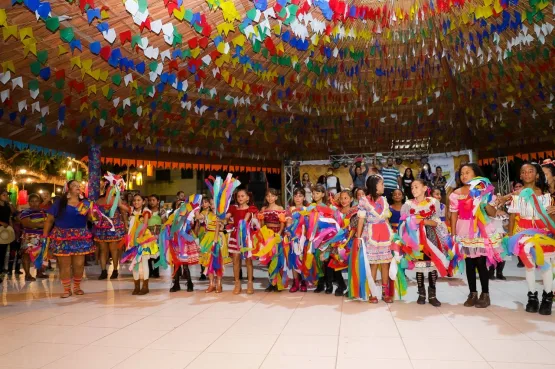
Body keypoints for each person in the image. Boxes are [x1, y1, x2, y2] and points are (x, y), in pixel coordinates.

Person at [449, 164, 502, 308]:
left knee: (480, 262)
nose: (464, 175)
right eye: (461, 173)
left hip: (480, 229)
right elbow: (453, 215)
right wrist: (453, 235)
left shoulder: (484, 190)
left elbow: (492, 213)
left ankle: (485, 294)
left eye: (467, 172)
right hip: (464, 230)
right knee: (469, 263)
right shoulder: (456, 194)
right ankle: (472, 293)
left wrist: (483, 201)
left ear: (476, 174)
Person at [507, 162, 554, 315]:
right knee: (529, 265)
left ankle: (547, 296)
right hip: (524, 234)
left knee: (545, 265)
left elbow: (551, 217)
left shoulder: (546, 195)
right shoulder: (517, 196)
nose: (527, 174)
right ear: (520, 175)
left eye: (530, 171)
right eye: (524, 172)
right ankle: (532, 297)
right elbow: (512, 218)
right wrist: (510, 237)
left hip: (543, 234)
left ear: (537, 174)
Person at [43, 180, 95, 298]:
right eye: (74, 185)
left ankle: (77, 287)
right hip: (62, 236)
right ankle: (66, 289)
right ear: (68, 189)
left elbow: (92, 219)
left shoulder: (86, 203)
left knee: (79, 263)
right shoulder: (59, 203)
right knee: (64, 264)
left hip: (80, 236)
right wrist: (45, 235)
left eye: (79, 186)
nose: (77, 187)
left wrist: (94, 212)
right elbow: (50, 220)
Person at [402, 179, 449, 307]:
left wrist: (422, 221)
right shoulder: (408, 204)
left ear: (424, 188)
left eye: (416, 187)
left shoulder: (433, 202)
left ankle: (432, 294)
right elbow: (405, 223)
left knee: (432, 264)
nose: (413, 190)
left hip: (430, 236)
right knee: (420, 266)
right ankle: (421, 293)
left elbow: (436, 222)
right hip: (416, 239)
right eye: (412, 188)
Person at [355, 175, 395, 303]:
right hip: (371, 234)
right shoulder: (364, 201)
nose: (383, 186)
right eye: (382, 184)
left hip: (384, 234)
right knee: (373, 264)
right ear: (374, 186)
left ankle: (385, 292)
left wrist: (392, 234)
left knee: (385, 264)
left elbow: (387, 218)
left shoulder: (384, 200)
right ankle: (373, 292)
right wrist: (358, 238)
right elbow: (361, 220)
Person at [123, 194, 160, 295]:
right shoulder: (131, 211)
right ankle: (136, 286)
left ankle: (145, 286)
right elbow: (119, 205)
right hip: (132, 240)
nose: (136, 202)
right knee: (135, 263)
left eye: (139, 200)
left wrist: (138, 239)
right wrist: (117, 190)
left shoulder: (145, 211)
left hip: (142, 240)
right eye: (134, 200)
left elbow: (144, 225)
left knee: (144, 263)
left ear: (143, 202)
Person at [93, 173, 128, 280]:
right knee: (104, 250)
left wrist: (125, 225)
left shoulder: (117, 200)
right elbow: (94, 214)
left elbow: (123, 212)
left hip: (114, 227)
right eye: (110, 188)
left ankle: (115, 270)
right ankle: (103, 271)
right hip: (102, 228)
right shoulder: (99, 200)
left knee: (113, 250)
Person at [226, 189, 258, 294]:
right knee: (235, 260)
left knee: (248, 260)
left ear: (248, 198)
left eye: (243, 196)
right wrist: (222, 216)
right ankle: (237, 284)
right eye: (239, 196)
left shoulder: (252, 209)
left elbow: (254, 223)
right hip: (236, 236)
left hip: (246, 237)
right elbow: (226, 218)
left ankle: (250, 283)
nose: (240, 198)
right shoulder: (233, 208)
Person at [258, 188, 286, 291]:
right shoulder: (264, 209)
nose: (270, 198)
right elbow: (262, 225)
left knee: (277, 259)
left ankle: (278, 284)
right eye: (268, 196)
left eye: (272, 196)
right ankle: (271, 283)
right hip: (267, 237)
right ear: (266, 197)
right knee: (269, 260)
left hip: (276, 236)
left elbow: (282, 223)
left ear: (276, 197)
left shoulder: (280, 208)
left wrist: (279, 233)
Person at [19, 194, 48, 281]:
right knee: (27, 255)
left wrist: (39, 225)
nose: (34, 203)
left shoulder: (44, 211)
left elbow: (50, 222)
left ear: (40, 202)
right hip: (30, 236)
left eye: (36, 201)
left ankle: (39, 273)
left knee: (41, 255)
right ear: (29, 202)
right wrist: (42, 225)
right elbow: (27, 223)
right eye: (32, 201)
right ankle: (27, 274)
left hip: (42, 236)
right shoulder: (26, 212)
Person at [285, 188, 309, 293]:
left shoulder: (307, 209)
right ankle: (295, 282)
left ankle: (304, 281)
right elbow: (288, 223)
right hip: (293, 238)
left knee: (303, 259)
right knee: (294, 260)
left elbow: (310, 224)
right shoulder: (289, 209)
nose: (297, 198)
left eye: (300, 196)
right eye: (295, 196)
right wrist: (288, 231)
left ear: (304, 197)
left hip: (304, 238)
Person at [147, 194, 167, 278]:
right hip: (148, 234)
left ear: (158, 201)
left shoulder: (161, 211)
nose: (152, 202)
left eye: (153, 200)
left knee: (157, 253)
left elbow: (165, 222)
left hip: (158, 233)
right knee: (148, 252)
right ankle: (150, 270)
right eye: (150, 200)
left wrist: (162, 214)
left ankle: (156, 270)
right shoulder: (147, 211)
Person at [0, 189, 13, 280]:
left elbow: (13, 214)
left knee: (2, 252)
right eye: (3, 195)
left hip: (4, 232)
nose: (6, 196)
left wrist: (11, 228)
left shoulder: (7, 206)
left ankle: (0, 272)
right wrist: (1, 223)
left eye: (6, 195)